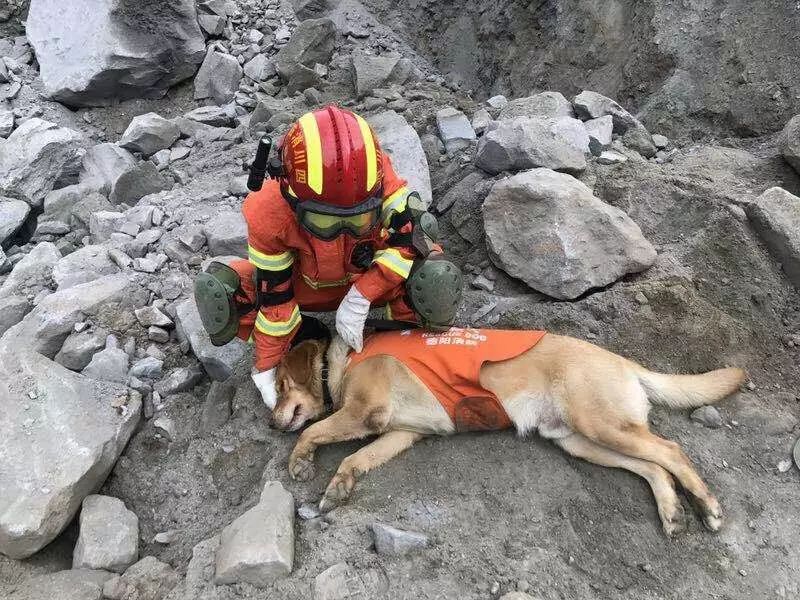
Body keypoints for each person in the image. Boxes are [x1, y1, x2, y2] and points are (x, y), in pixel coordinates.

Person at [194, 105, 462, 408]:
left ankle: (399, 343)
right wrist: (267, 365)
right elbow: (275, 297)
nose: (341, 230)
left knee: (434, 279)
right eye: (325, 222)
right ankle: (306, 337)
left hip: (369, 278)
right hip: (304, 289)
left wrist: (362, 296)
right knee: (222, 293)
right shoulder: (268, 211)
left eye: (356, 220)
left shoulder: (374, 178)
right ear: (291, 194)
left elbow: (417, 235)